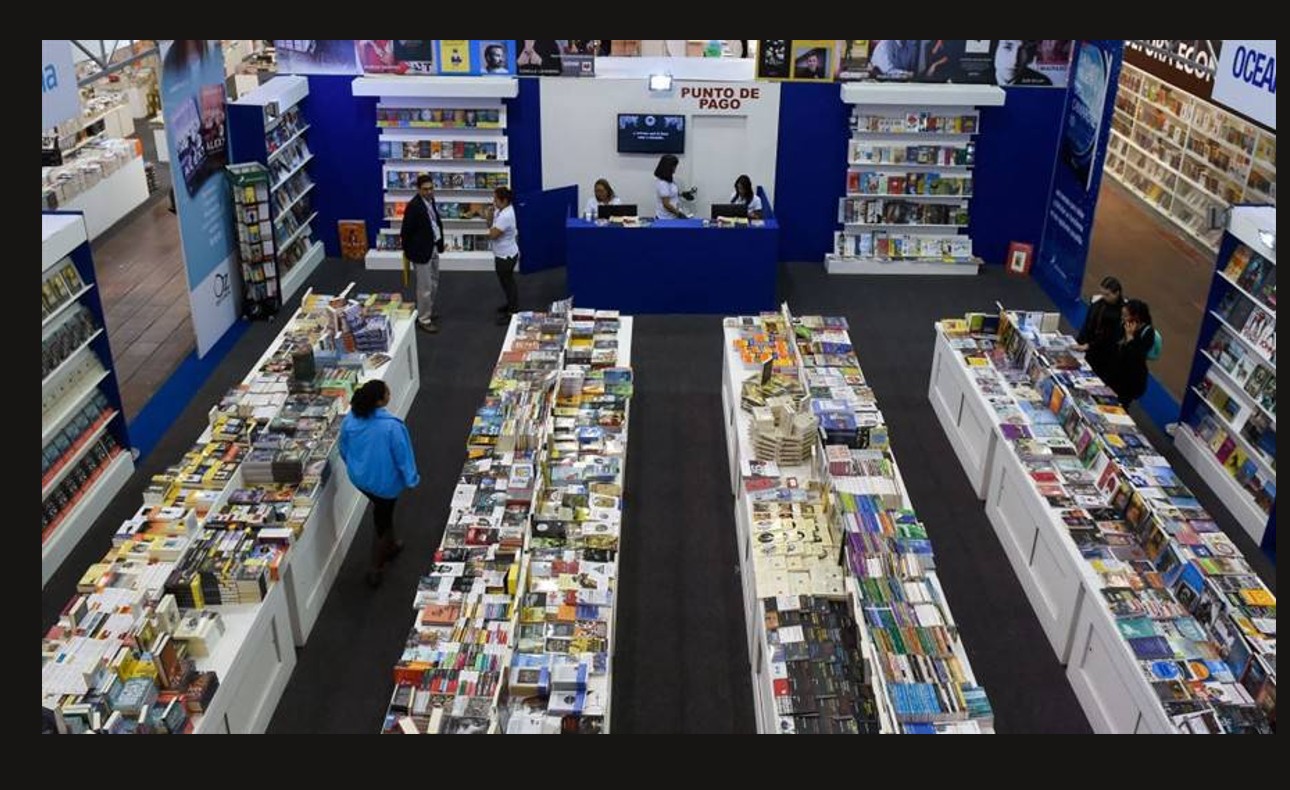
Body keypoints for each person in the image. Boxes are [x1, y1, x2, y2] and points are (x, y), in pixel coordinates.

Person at [339, 380, 420, 588]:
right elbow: (403, 456)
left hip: (360, 479)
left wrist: (355, 466)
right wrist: (411, 479)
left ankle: (391, 545)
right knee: (381, 522)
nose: (389, 394)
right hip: (384, 483)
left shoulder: (351, 419)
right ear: (379, 400)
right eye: (387, 392)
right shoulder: (392, 426)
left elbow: (343, 448)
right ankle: (375, 568)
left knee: (383, 511)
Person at [400, 175, 444, 334]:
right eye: (425, 189)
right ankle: (424, 319)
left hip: (432, 247)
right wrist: (410, 252)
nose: (429, 191)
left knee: (434, 282)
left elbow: (434, 223)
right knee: (424, 287)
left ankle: (428, 311)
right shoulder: (413, 206)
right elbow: (405, 232)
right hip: (420, 252)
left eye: (431, 188)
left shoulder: (430, 202)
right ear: (418, 189)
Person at [1075, 276, 1125, 383]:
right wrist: (1080, 341)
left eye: (1107, 295)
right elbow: (1088, 323)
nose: (1104, 297)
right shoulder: (1098, 302)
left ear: (1117, 293)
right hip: (1088, 346)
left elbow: (1110, 336)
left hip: (1104, 354)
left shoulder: (1122, 312)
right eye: (1102, 293)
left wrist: (1089, 346)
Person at [1108, 299, 1156, 407]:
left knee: (1121, 405)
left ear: (1136, 317)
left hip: (1131, 379)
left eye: (1125, 316)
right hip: (1116, 373)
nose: (1122, 318)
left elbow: (1137, 357)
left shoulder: (1147, 333)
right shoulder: (1124, 324)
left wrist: (1130, 338)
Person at [488, 187, 520, 324]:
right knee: (506, 282)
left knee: (508, 283)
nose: (493, 202)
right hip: (501, 253)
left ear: (505, 200)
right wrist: (489, 216)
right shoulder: (499, 210)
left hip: (506, 256)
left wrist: (490, 229)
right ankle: (510, 305)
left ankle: (513, 312)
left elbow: (493, 235)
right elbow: (490, 225)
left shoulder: (506, 215)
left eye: (496, 199)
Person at [654, 154, 693, 219]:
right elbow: (666, 204)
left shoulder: (669, 181)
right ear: (668, 167)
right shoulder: (663, 183)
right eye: (674, 166)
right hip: (665, 219)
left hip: (672, 217)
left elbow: (670, 194)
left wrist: (682, 194)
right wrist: (679, 214)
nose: (675, 168)